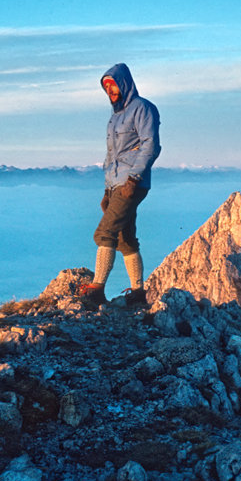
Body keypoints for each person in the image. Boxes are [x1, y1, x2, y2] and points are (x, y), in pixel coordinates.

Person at [79, 63, 161, 309]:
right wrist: (107, 191)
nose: (110, 90)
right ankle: (138, 292)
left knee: (105, 233)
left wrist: (134, 178)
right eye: (106, 87)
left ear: (124, 83)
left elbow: (151, 145)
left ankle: (97, 290)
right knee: (125, 239)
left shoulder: (143, 108)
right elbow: (112, 156)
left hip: (131, 182)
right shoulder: (115, 117)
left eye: (113, 84)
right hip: (117, 184)